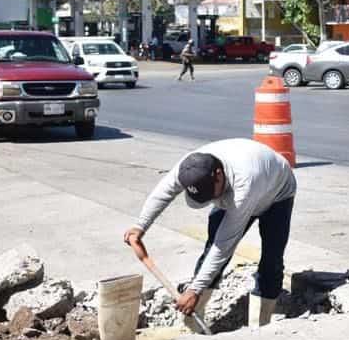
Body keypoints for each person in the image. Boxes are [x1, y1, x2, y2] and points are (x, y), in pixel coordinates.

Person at [123, 139, 296, 329]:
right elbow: (162, 193)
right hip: (237, 188)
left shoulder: (243, 185)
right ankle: (193, 323)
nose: (211, 200)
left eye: (210, 196)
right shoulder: (190, 167)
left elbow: (223, 247)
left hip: (277, 193)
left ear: (218, 175)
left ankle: (259, 325)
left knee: (271, 259)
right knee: (209, 251)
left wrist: (195, 289)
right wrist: (140, 227)